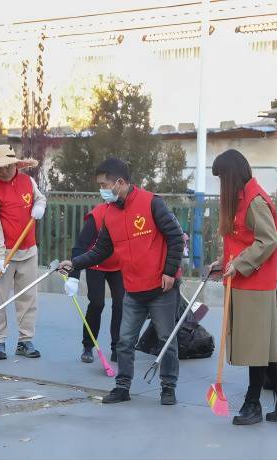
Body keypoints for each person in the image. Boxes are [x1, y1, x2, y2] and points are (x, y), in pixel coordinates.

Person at [59, 157, 184, 405]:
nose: (102, 190)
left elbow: (176, 236)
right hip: (133, 289)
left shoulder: (152, 203)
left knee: (166, 340)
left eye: (104, 185)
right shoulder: (109, 213)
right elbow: (100, 250)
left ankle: (168, 387)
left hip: (161, 287)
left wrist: (170, 272)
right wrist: (75, 264)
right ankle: (122, 386)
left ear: (119, 182)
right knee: (125, 341)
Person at [211, 149, 277, 425]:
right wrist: (223, 262)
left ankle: (252, 403)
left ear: (231, 176)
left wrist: (239, 264)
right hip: (244, 281)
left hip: (255, 285)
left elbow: (268, 240)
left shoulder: (254, 201)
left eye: (221, 178)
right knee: (261, 345)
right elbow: (242, 240)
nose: (221, 185)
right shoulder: (241, 199)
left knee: (255, 346)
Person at [0, 144, 46, 360]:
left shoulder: (28, 181)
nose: (4, 171)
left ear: (15, 164)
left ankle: (25, 340)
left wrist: (39, 206)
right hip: (4, 253)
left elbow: (40, 198)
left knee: (28, 297)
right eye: (0, 167)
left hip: (29, 250)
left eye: (8, 166)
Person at [66, 202, 124, 364]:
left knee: (121, 304)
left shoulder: (128, 212)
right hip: (95, 264)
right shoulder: (98, 214)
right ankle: (88, 346)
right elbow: (80, 246)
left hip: (118, 265)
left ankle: (118, 348)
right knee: (97, 303)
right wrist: (73, 277)